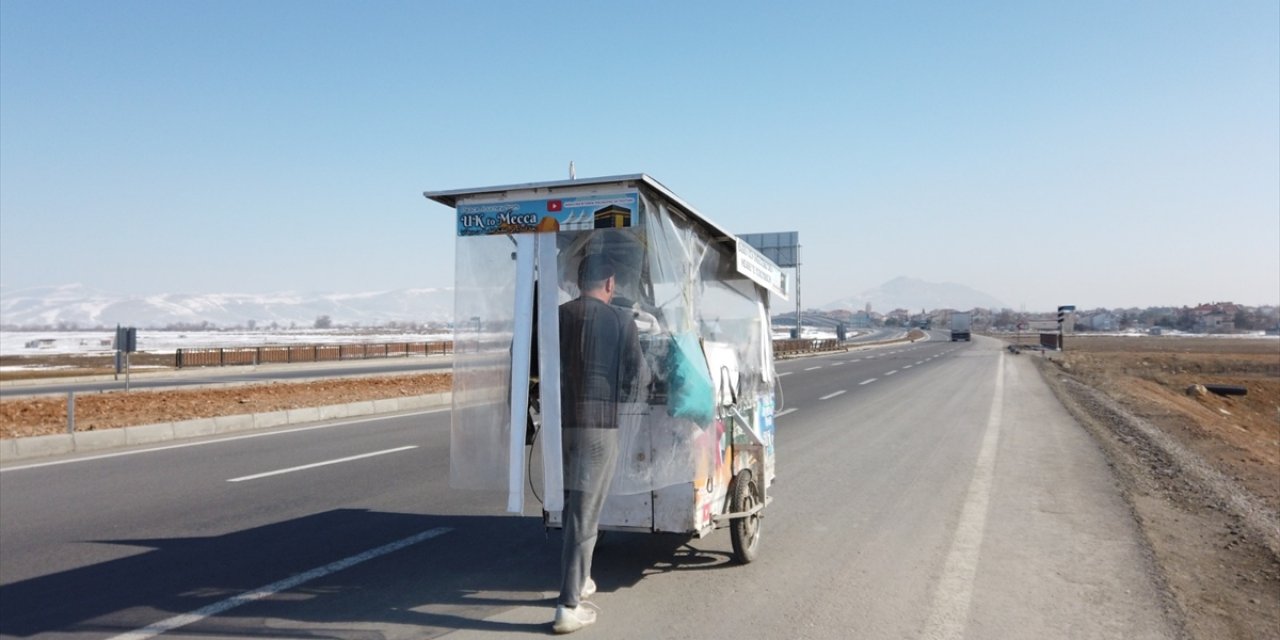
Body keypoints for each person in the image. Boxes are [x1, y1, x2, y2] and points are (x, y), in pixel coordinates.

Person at [552, 253, 644, 634]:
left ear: (577, 282)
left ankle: (584, 578)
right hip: (599, 426)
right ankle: (567, 605)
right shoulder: (622, 320)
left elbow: (525, 358)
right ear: (610, 283)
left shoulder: (557, 316)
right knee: (584, 515)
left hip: (562, 424)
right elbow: (637, 375)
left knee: (577, 505)